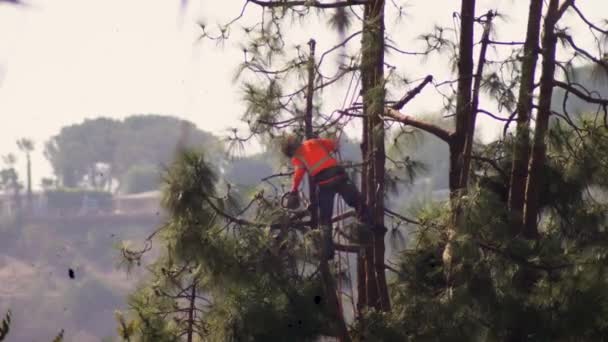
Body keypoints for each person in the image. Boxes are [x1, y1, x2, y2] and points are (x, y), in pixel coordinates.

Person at [280, 134, 378, 260]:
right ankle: (373, 227)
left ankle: (328, 252)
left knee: (325, 219)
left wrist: (293, 191)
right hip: (339, 176)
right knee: (357, 202)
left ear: (290, 152)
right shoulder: (314, 142)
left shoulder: (297, 158)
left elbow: (298, 175)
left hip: (324, 184)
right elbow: (333, 145)